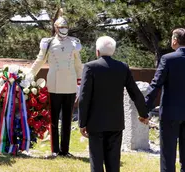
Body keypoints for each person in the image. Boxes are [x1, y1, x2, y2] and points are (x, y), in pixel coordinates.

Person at [78, 36, 149, 172]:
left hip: (95, 123)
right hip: (115, 122)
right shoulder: (122, 67)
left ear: (97, 51)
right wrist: (143, 114)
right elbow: (135, 92)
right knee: (113, 162)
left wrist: (82, 122)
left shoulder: (90, 67)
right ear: (113, 51)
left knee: (97, 162)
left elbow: (84, 97)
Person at [31, 15, 82, 157]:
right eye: (61, 27)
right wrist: (29, 75)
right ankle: (54, 149)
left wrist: (79, 82)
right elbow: (40, 60)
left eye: (66, 27)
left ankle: (65, 150)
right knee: (53, 118)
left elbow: (78, 64)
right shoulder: (48, 43)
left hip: (70, 85)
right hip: (54, 84)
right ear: (55, 28)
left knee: (67, 119)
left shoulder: (74, 43)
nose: (63, 29)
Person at [145, 28, 185, 172]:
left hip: (170, 113)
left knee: (168, 155)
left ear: (175, 40)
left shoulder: (168, 59)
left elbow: (156, 85)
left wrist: (144, 109)